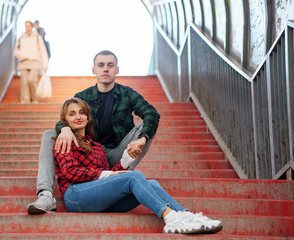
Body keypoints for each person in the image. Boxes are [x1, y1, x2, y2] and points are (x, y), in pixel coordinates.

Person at [53, 97, 223, 234]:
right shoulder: (64, 140)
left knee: (152, 183)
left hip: (98, 198)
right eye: (72, 114)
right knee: (134, 176)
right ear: (65, 120)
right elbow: (70, 173)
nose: (78, 117)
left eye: (82, 112)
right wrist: (109, 175)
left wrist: (126, 158)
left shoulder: (96, 147)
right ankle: (170, 217)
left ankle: (186, 216)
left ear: (88, 117)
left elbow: (112, 174)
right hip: (75, 196)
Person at [27, 50, 160, 214]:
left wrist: (142, 139)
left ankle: (123, 177)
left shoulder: (127, 93)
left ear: (117, 70)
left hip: (119, 153)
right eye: (101, 65)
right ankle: (45, 194)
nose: (106, 69)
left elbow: (152, 113)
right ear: (93, 70)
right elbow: (65, 118)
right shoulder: (83, 96)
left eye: (110, 65)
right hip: (91, 154)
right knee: (49, 135)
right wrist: (65, 128)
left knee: (149, 123)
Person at [14, 21, 49, 103]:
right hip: (23, 62)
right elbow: (16, 51)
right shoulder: (20, 38)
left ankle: (34, 99)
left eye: (29, 26)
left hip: (34, 62)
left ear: (32, 27)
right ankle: (25, 101)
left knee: (31, 80)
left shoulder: (37, 37)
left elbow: (43, 51)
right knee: (24, 82)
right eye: (26, 26)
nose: (27, 28)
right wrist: (22, 55)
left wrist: (45, 65)